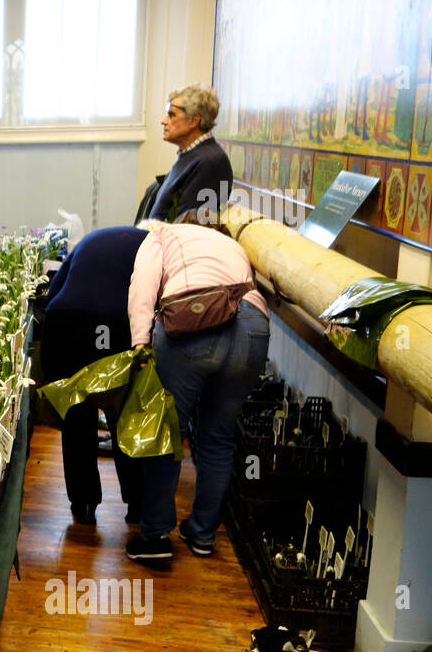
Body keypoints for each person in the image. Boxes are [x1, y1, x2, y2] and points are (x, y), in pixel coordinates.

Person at [125, 219, 269, 562]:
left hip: (193, 319)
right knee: (218, 437)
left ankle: (156, 536)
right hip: (252, 325)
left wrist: (140, 343)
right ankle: (202, 534)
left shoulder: (161, 233)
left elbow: (142, 285)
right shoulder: (234, 246)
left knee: (168, 432)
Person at [41, 226, 147, 526]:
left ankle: (84, 502)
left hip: (64, 320)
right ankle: (137, 504)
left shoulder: (92, 240)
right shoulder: (152, 247)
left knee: (77, 414)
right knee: (123, 413)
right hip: (113, 322)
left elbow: (56, 285)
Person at [148, 85, 233, 223]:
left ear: (194, 120)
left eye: (172, 115)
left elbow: (188, 227)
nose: (163, 121)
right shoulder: (192, 155)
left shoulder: (211, 163)